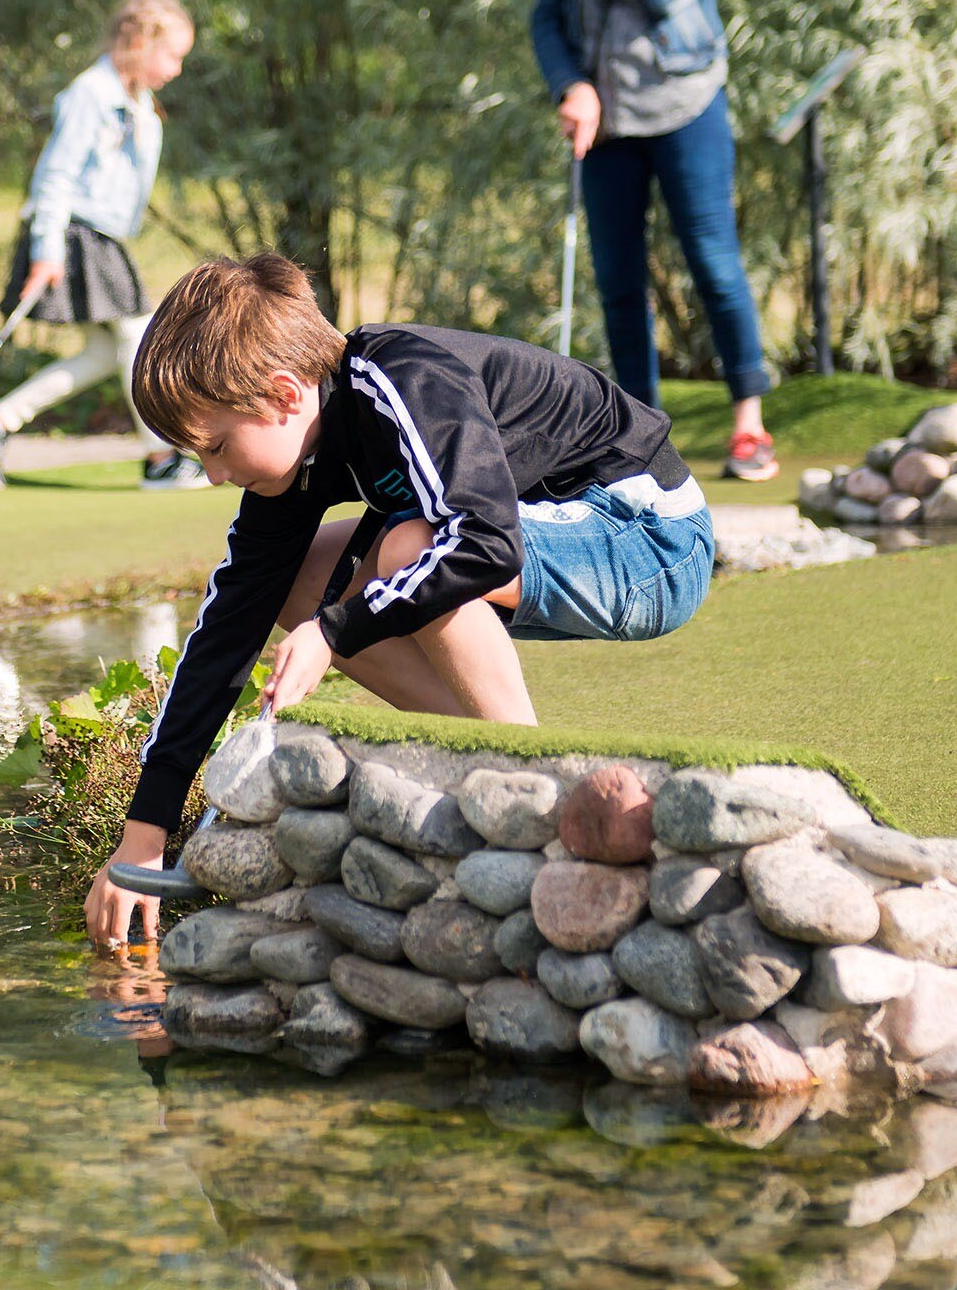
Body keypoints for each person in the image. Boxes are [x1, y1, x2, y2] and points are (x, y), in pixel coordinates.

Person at [83, 253, 714, 947]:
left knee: (413, 547)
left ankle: (532, 781)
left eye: (218, 446)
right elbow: (226, 627)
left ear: (286, 395)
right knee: (297, 581)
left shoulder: (402, 379)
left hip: (649, 538)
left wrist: (334, 632)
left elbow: (484, 543)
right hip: (550, 537)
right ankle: (473, 751)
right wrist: (142, 837)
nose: (211, 476)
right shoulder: (292, 460)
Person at [530, 0, 782, 483]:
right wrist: (570, 86)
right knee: (617, 280)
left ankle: (748, 424)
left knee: (712, 260)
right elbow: (546, 16)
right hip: (605, 122)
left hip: (685, 107)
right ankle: (639, 438)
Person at [0, 0, 207, 492]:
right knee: (141, 339)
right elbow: (54, 175)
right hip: (77, 234)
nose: (177, 69)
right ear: (139, 41)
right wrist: (46, 248)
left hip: (103, 236)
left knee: (103, 354)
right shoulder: (90, 95)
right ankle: (161, 457)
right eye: (173, 55)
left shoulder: (136, 102)